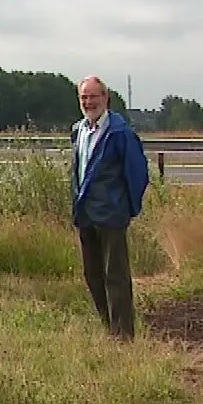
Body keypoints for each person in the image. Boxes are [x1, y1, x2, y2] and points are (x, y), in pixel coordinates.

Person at [71, 76, 150, 340]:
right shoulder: (80, 130)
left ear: (105, 98)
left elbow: (137, 173)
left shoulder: (120, 133)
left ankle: (123, 334)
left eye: (93, 96)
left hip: (112, 214)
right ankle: (110, 326)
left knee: (115, 275)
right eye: (84, 97)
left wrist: (126, 207)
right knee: (92, 275)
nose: (88, 102)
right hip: (86, 214)